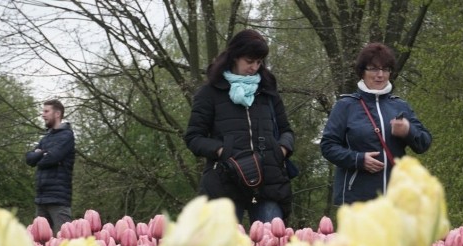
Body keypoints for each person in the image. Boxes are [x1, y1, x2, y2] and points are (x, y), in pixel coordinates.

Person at [184, 29, 295, 224]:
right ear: (235, 57)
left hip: (269, 182)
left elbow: (286, 131)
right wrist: (222, 150)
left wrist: (282, 150)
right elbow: (194, 137)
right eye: (249, 61)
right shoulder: (209, 93)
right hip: (224, 182)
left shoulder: (268, 92)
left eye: (259, 62)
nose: (254, 67)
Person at [321, 43, 432, 206]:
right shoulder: (345, 106)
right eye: (373, 69)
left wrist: (408, 131)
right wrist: (358, 159)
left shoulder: (400, 106)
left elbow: (424, 143)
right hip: (357, 201)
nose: (380, 75)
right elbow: (328, 146)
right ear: (362, 72)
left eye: (385, 69)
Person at [26, 99, 75, 234]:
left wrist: (39, 155)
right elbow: (29, 159)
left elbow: (52, 158)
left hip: (58, 198)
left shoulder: (67, 136)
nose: (43, 114)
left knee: (64, 240)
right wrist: (43, 154)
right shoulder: (46, 138)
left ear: (57, 113)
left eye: (46, 111)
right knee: (39, 244)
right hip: (41, 197)